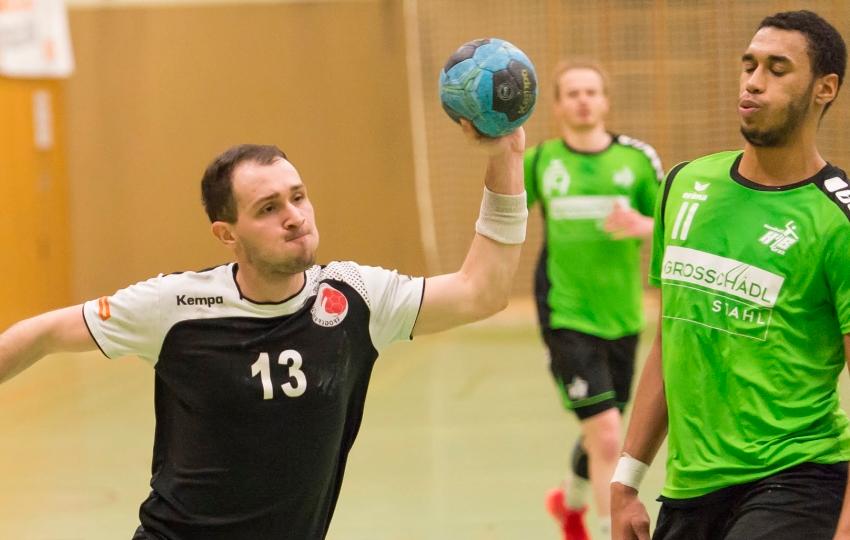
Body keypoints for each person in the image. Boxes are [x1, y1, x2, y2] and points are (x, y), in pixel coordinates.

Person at [0, 120, 528, 539]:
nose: (294, 216)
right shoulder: (176, 305)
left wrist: (505, 156)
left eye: (298, 196)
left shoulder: (355, 298)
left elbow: (481, 291)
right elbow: (43, 332)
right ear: (226, 234)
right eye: (269, 208)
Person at [611, 10, 850, 540]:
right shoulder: (683, 185)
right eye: (749, 65)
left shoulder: (839, 220)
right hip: (691, 487)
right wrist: (626, 482)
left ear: (824, 88)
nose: (753, 82)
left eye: (777, 69)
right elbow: (671, 340)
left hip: (797, 478)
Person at [525, 60, 663, 540]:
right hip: (566, 314)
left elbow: (674, 227)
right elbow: (504, 214)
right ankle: (609, 530)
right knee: (607, 435)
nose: (583, 100)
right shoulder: (540, 162)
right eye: (572, 93)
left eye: (591, 92)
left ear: (605, 101)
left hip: (622, 316)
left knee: (602, 428)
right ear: (558, 105)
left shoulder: (637, 160)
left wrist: (643, 225)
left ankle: (569, 503)